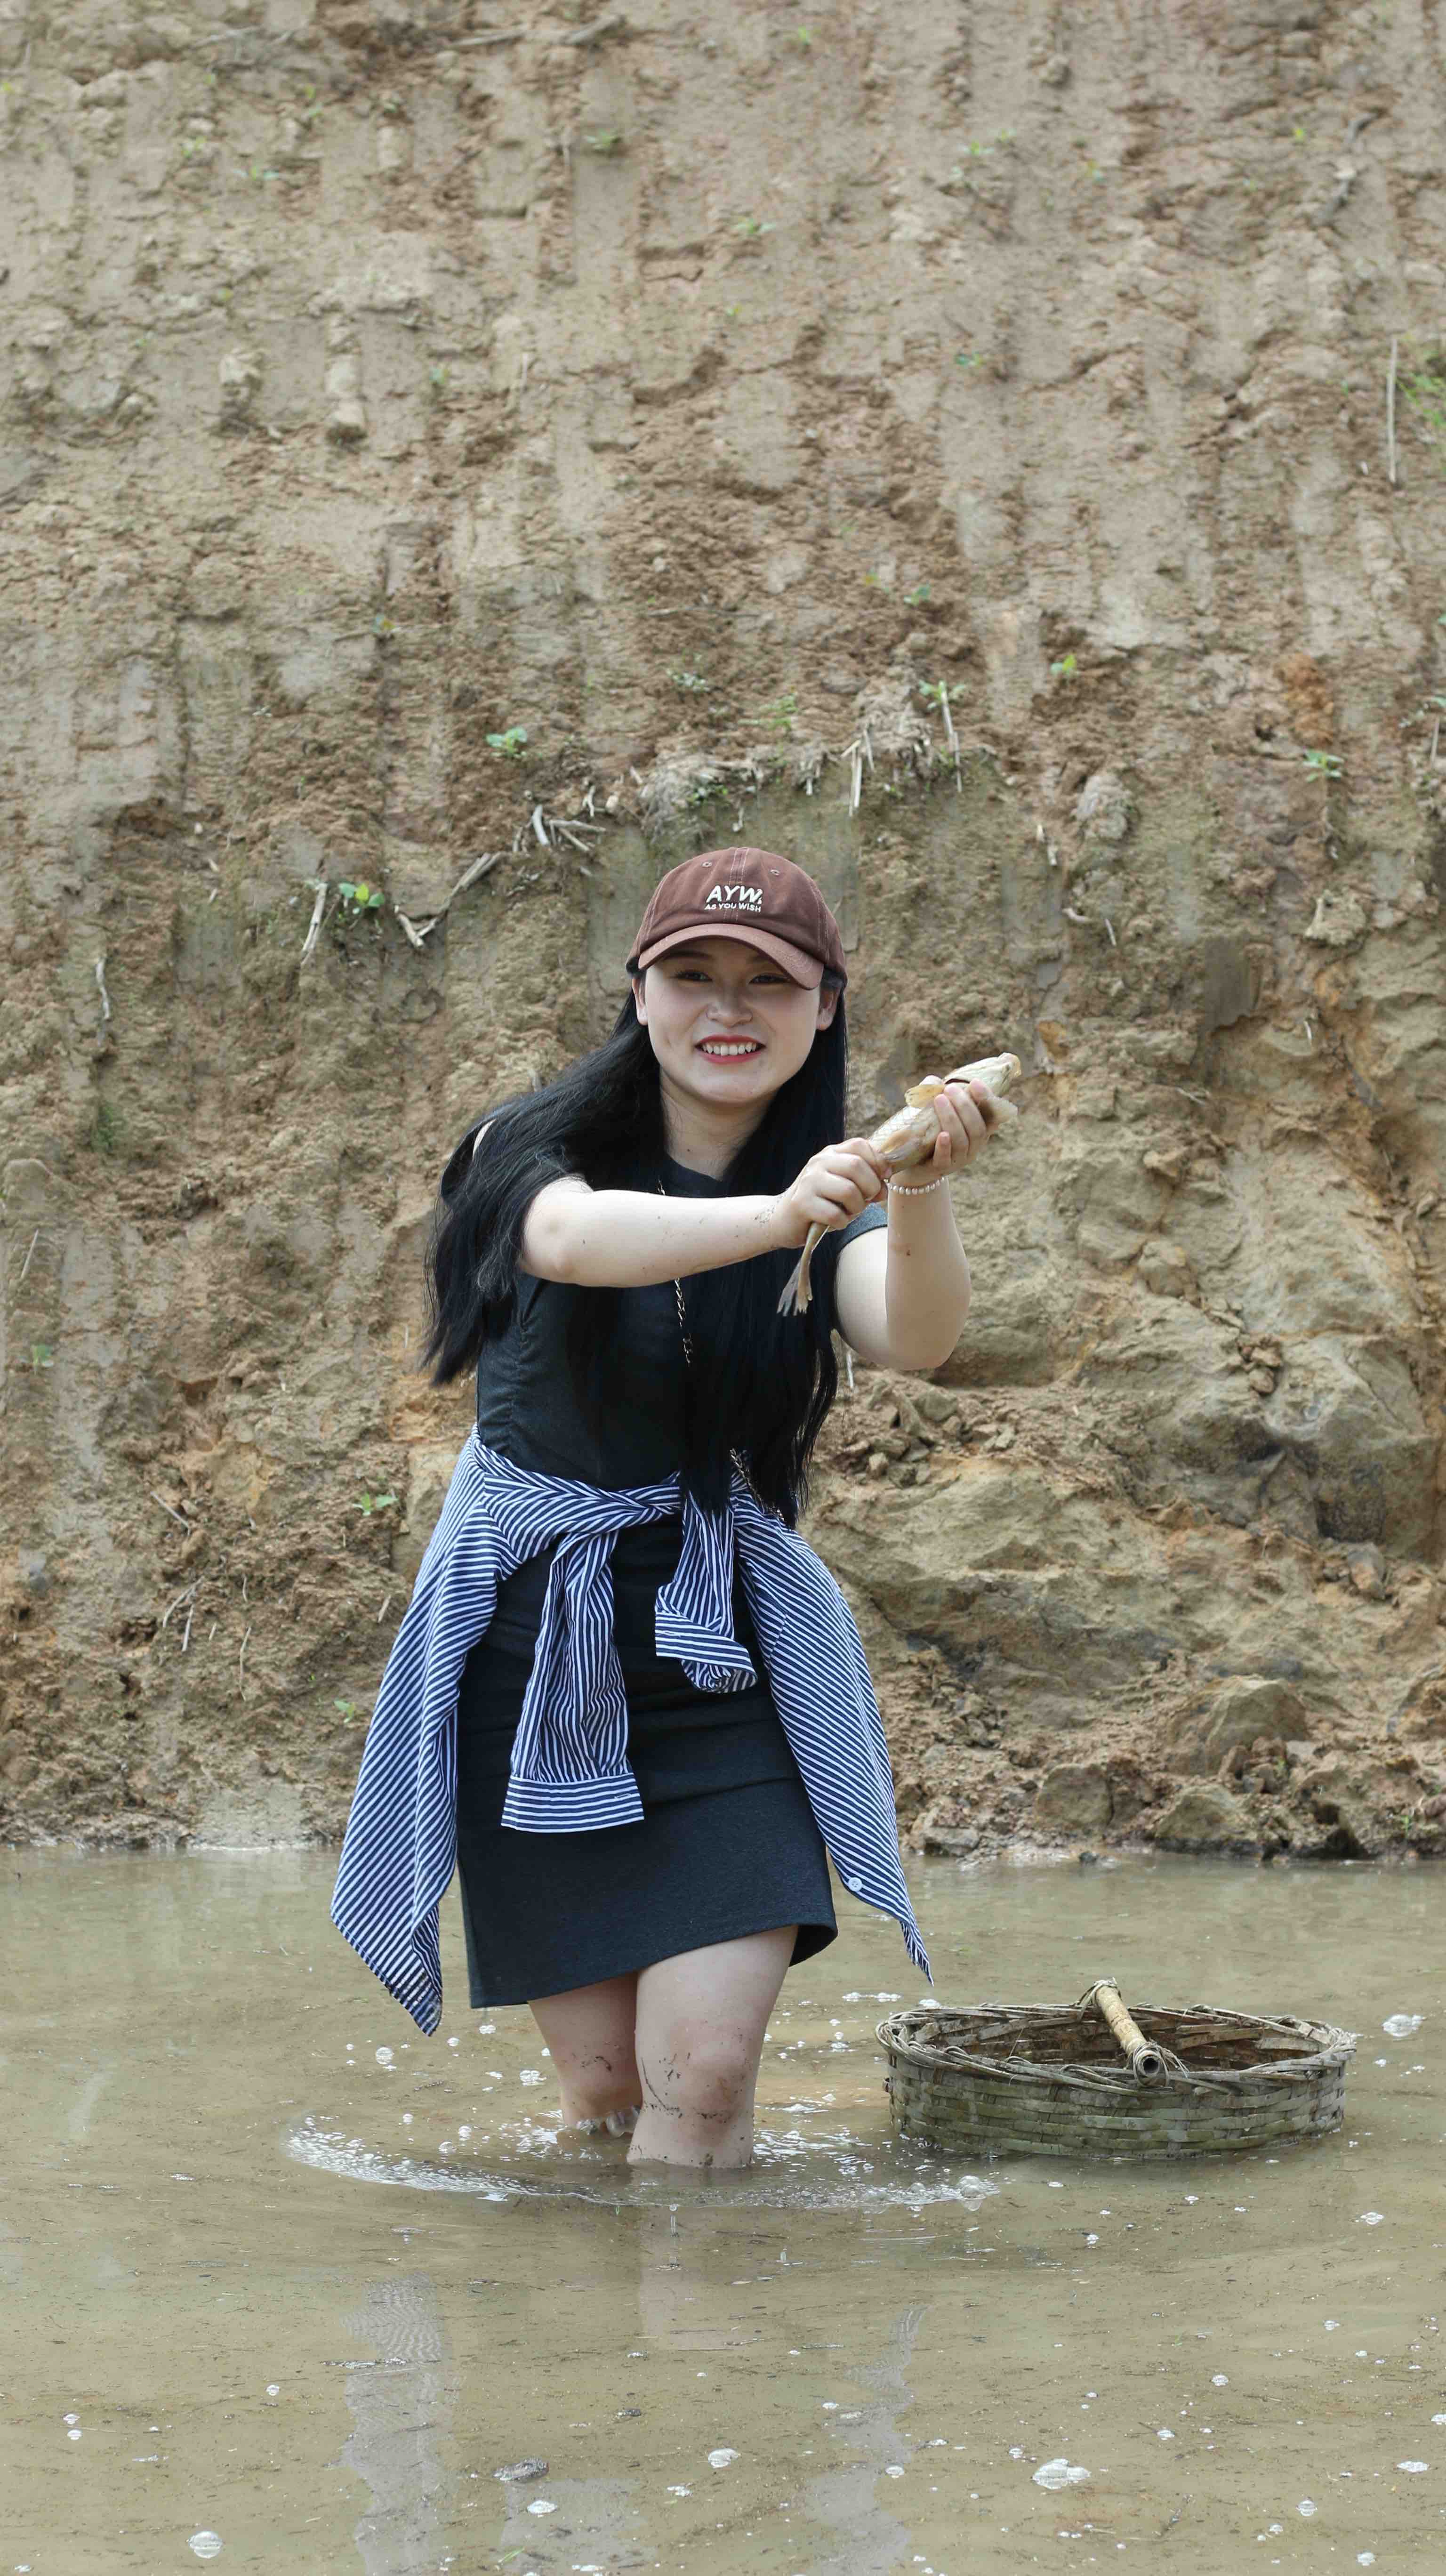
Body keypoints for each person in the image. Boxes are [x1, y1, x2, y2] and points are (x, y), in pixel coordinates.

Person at [329, 846, 1011, 2171]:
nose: (728, 1009)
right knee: (602, 2098)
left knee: (704, 2074)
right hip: (535, 1657)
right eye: (693, 975)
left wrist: (919, 1184)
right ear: (639, 994)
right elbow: (572, 1242)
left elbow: (911, 1335)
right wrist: (777, 1217)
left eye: (769, 982)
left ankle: (698, 2298)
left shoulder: (834, 1186)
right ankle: (616, 2307)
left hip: (721, 1662)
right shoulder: (530, 1147)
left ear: (825, 1007)